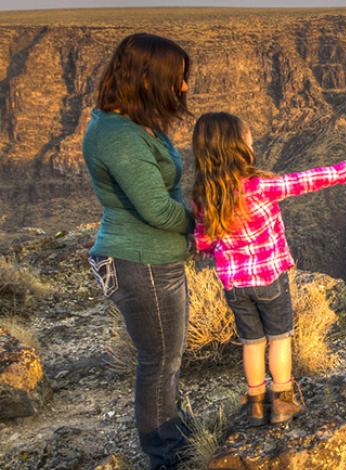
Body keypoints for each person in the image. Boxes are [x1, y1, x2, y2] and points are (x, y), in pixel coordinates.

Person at [189, 112, 346, 425]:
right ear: (237, 148)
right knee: (280, 338)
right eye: (248, 138)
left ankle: (256, 404)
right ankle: (283, 400)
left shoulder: (204, 197)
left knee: (251, 342)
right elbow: (304, 181)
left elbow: (203, 242)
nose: (252, 141)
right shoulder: (259, 186)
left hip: (235, 287)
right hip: (270, 280)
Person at [82, 33, 195, 469]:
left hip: (153, 259)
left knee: (167, 357)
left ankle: (173, 432)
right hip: (140, 261)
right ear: (147, 77)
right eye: (177, 78)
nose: (183, 88)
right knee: (159, 360)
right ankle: (165, 454)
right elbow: (156, 210)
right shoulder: (118, 135)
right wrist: (205, 225)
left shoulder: (133, 123)